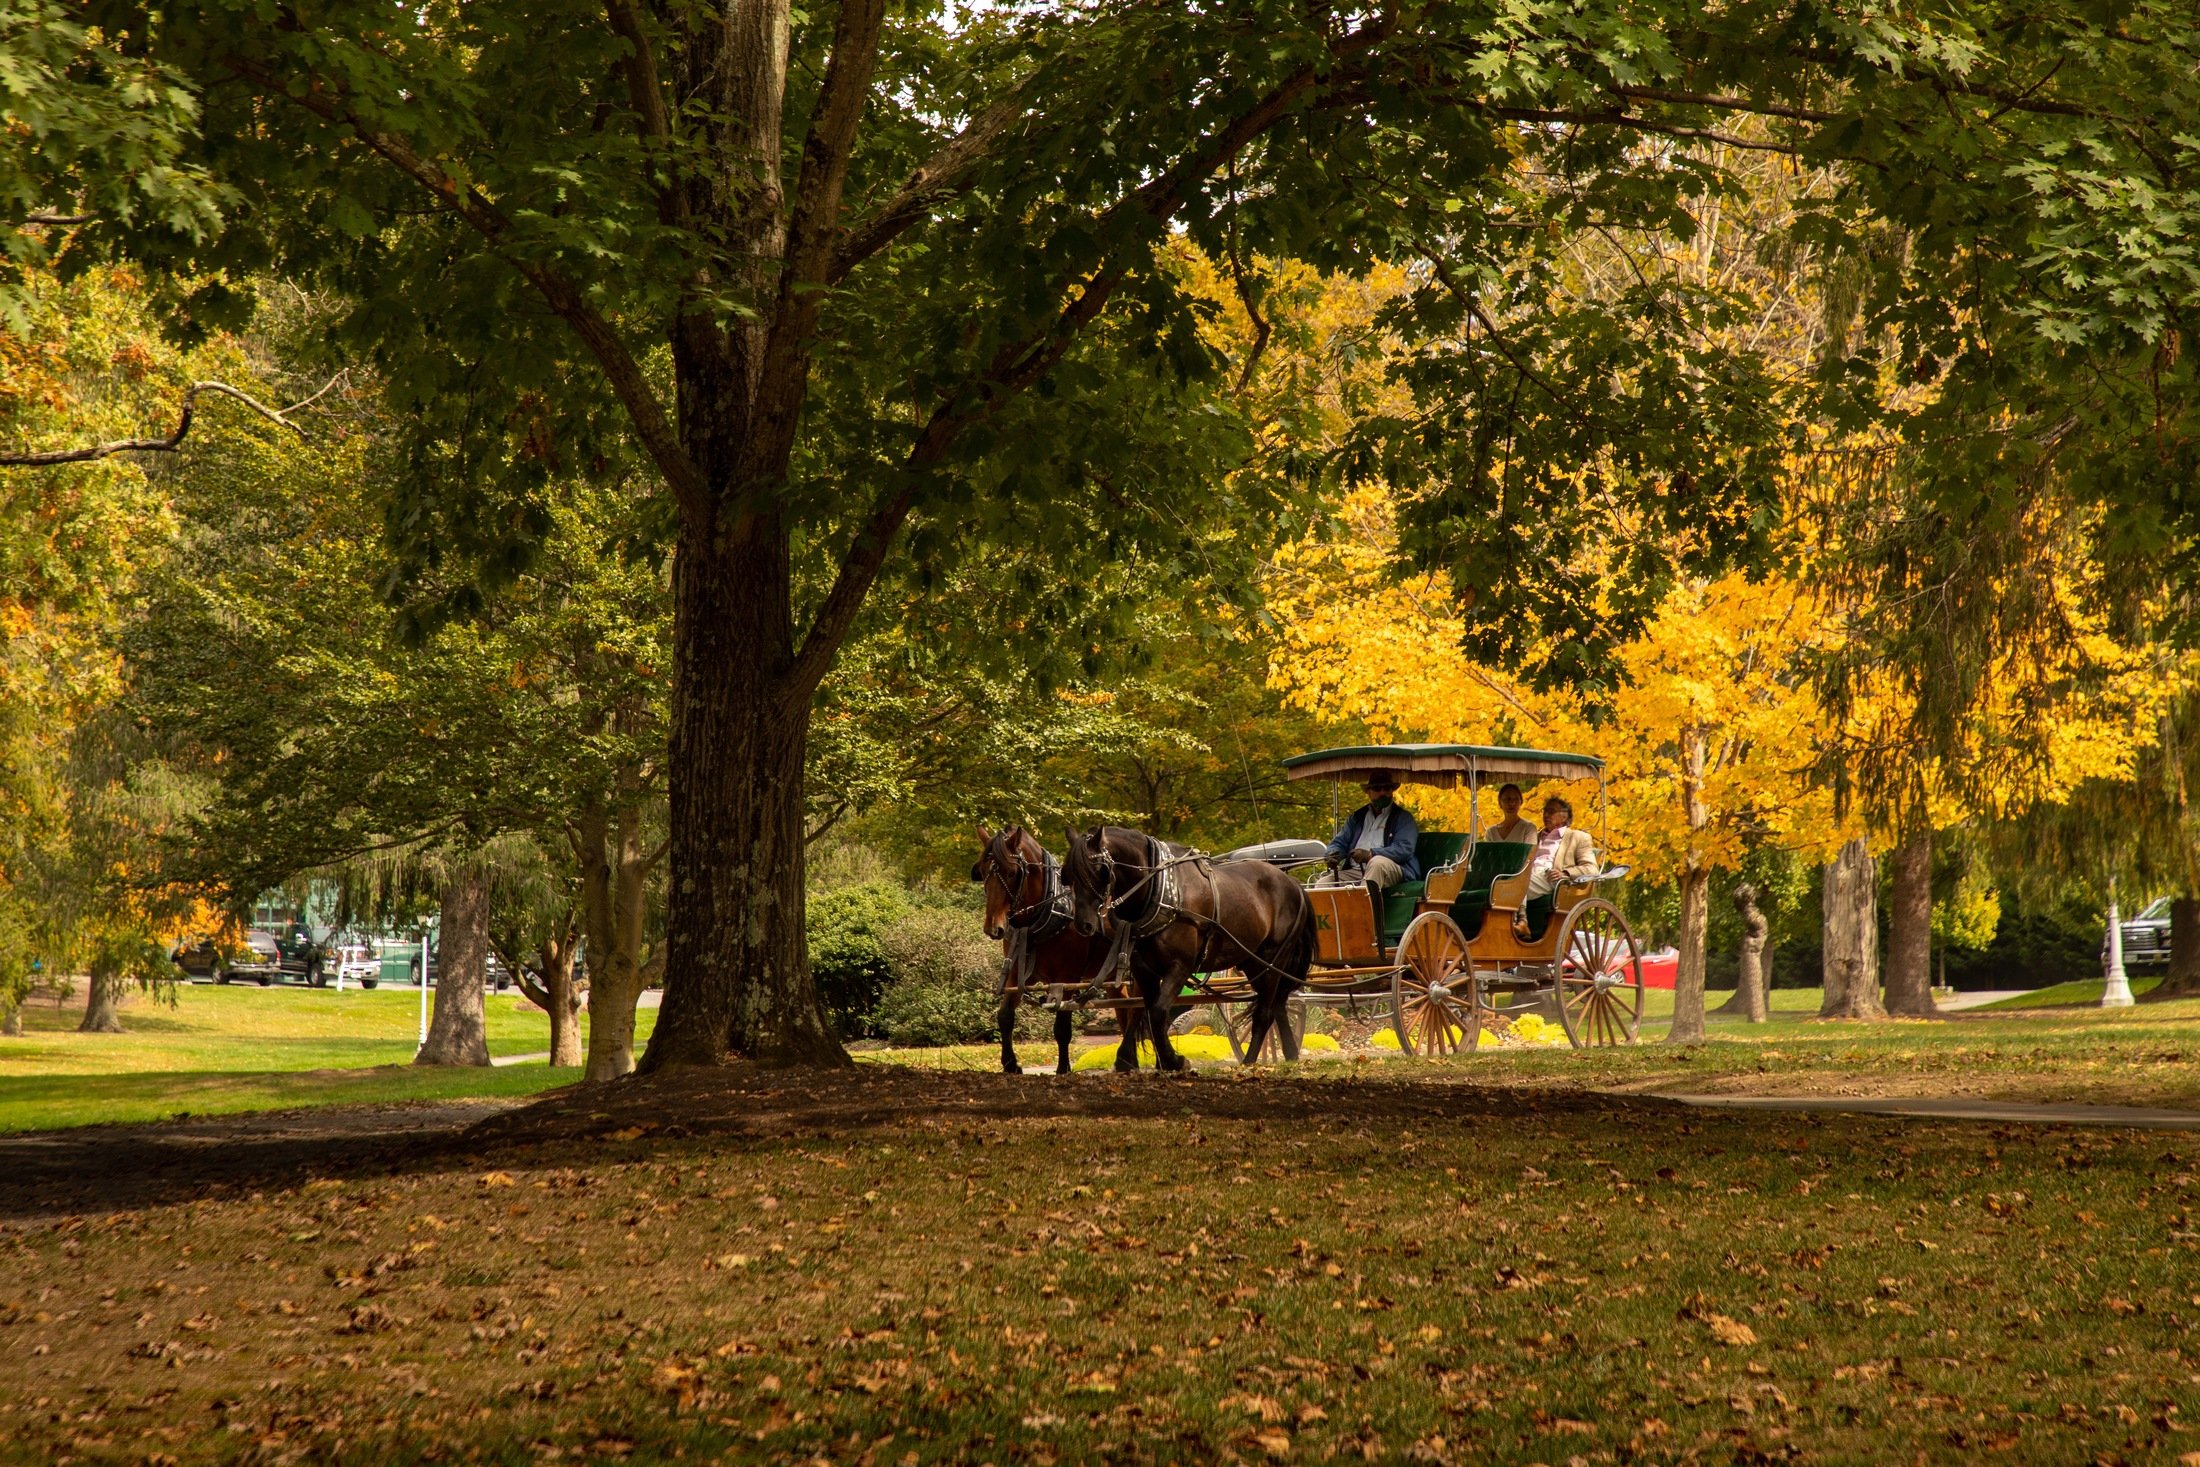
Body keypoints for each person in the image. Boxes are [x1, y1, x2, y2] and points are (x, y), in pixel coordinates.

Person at [1319, 772, 1420, 891]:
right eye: (1377, 788)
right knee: (1324, 882)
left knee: (1376, 863)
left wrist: (1370, 855)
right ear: (1369, 792)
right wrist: (1332, 854)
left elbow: (1404, 849)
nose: (1383, 792)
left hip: (1394, 869)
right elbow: (1339, 843)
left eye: (1387, 788)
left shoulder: (1403, 818)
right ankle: (1323, 910)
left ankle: (1362, 908)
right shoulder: (1357, 817)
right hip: (1356, 871)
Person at [1516, 795, 1599, 938]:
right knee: (1505, 881)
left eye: (1551, 811)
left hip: (1553, 879)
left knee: (1517, 881)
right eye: (1545, 811)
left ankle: (1522, 921)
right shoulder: (1534, 836)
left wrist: (1566, 873)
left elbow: (1592, 870)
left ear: (1564, 816)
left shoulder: (1578, 837)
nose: (1546, 815)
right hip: (1529, 873)